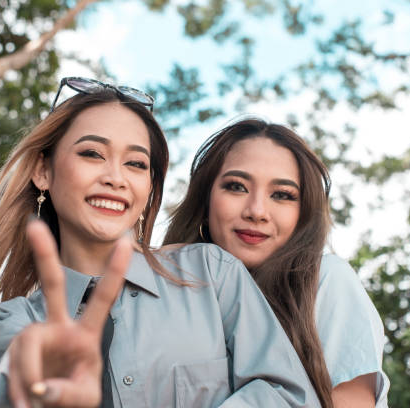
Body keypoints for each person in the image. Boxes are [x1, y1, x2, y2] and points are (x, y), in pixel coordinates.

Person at [0, 78, 322, 407]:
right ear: (43, 170)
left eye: (136, 164)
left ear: (149, 187)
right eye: (92, 153)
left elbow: (288, 395)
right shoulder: (13, 324)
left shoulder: (211, 273)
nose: (115, 178)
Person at [164, 118, 390, 408]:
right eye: (237, 187)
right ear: (205, 202)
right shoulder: (164, 297)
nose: (257, 211)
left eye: (282, 195)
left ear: (303, 214)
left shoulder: (326, 281)